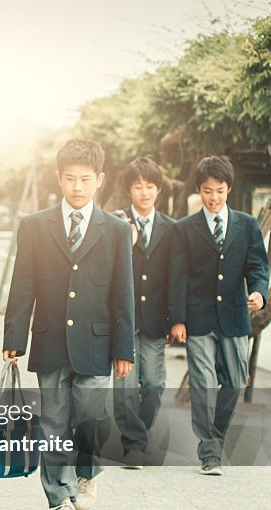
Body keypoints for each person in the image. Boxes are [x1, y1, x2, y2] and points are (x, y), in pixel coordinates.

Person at [2, 139, 135, 510]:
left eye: (86, 179)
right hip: (50, 340)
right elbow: (22, 283)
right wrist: (14, 336)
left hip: (97, 342)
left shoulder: (115, 230)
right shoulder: (35, 225)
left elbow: (122, 293)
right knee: (54, 422)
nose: (78, 186)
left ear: (100, 180)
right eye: (71, 178)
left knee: (93, 416)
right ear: (59, 178)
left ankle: (87, 473)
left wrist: (123, 347)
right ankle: (60, 503)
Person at [169, 155, 269, 476]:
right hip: (197, 318)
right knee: (202, 381)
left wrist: (258, 292)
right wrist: (177, 319)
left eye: (220, 191)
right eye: (208, 191)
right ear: (199, 190)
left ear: (229, 189)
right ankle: (209, 451)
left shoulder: (248, 225)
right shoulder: (184, 229)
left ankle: (215, 436)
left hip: (235, 315)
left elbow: (257, 266)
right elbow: (177, 276)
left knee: (235, 381)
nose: (213, 198)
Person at [112, 157, 177, 468]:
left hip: (155, 320)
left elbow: (176, 277)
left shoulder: (172, 229)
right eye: (138, 186)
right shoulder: (116, 224)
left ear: (158, 189)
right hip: (123, 319)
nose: (144, 192)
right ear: (129, 190)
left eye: (150, 186)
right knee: (125, 386)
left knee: (153, 383)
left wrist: (176, 319)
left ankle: (140, 433)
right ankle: (134, 444)